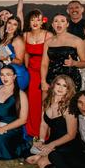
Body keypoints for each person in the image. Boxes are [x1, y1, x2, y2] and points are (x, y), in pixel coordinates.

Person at [25, 75, 77, 168]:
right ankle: (43, 155)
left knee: (42, 163)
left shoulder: (69, 107)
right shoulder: (47, 101)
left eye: (64, 86)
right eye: (58, 84)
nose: (60, 88)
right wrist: (41, 140)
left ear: (68, 90)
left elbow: (71, 135)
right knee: (27, 154)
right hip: (52, 140)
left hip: (66, 143)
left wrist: (51, 145)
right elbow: (44, 124)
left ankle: (65, 162)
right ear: (53, 85)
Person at [41, 13, 85, 94]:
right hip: (51, 79)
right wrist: (43, 81)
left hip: (70, 80)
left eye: (62, 21)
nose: (59, 23)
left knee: (68, 106)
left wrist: (74, 63)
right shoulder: (48, 42)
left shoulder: (77, 41)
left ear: (67, 24)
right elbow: (44, 64)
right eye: (56, 21)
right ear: (52, 25)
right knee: (48, 105)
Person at [23, 9, 53, 138]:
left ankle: (44, 132)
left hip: (45, 72)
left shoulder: (49, 35)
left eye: (38, 20)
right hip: (31, 72)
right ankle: (31, 130)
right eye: (32, 19)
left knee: (44, 102)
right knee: (31, 100)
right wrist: (25, 71)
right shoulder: (25, 35)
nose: (35, 22)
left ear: (42, 22)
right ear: (29, 22)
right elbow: (26, 54)